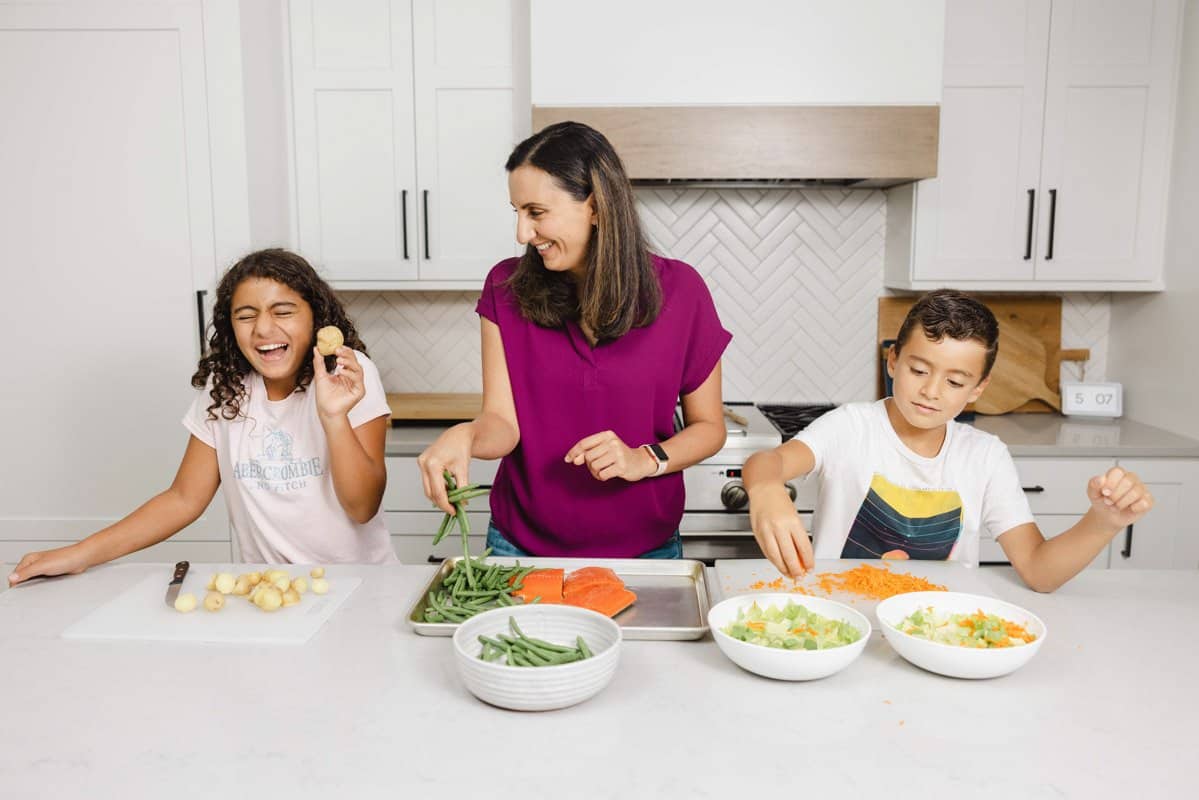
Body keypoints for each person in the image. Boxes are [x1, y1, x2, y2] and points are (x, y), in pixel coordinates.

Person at [417, 121, 731, 558]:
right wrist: (465, 435)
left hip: (646, 549)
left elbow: (709, 428)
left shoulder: (682, 291)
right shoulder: (505, 287)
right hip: (520, 545)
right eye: (517, 212)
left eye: (536, 212)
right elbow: (502, 425)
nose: (522, 234)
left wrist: (645, 459)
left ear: (597, 206)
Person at [8, 248, 395, 586]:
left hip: (359, 585)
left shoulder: (346, 374)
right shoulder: (226, 386)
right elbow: (183, 499)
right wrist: (80, 555)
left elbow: (363, 507)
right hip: (272, 590)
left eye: (283, 311)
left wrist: (333, 417)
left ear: (316, 318)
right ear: (231, 326)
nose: (263, 328)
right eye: (246, 316)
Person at [743, 289, 1154, 591]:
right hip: (841, 618)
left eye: (955, 381)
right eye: (919, 371)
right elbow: (767, 462)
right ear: (893, 361)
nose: (932, 391)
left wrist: (1103, 522)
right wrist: (766, 488)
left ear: (978, 388)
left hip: (940, 631)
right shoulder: (851, 427)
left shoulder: (986, 457)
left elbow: (1038, 571)